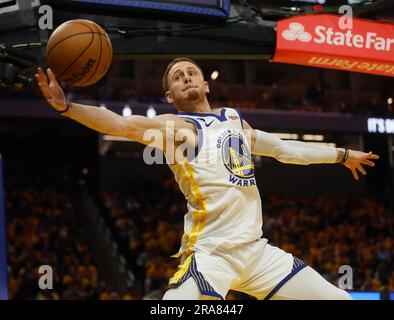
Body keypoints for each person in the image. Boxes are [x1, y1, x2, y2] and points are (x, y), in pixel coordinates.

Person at [35, 57, 379, 300]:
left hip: (258, 252)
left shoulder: (233, 119)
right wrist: (68, 108)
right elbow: (121, 125)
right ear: (170, 96)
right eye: (177, 76)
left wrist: (343, 155)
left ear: (204, 83)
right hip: (212, 254)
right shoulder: (178, 129)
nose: (185, 77)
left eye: (191, 72)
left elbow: (285, 149)